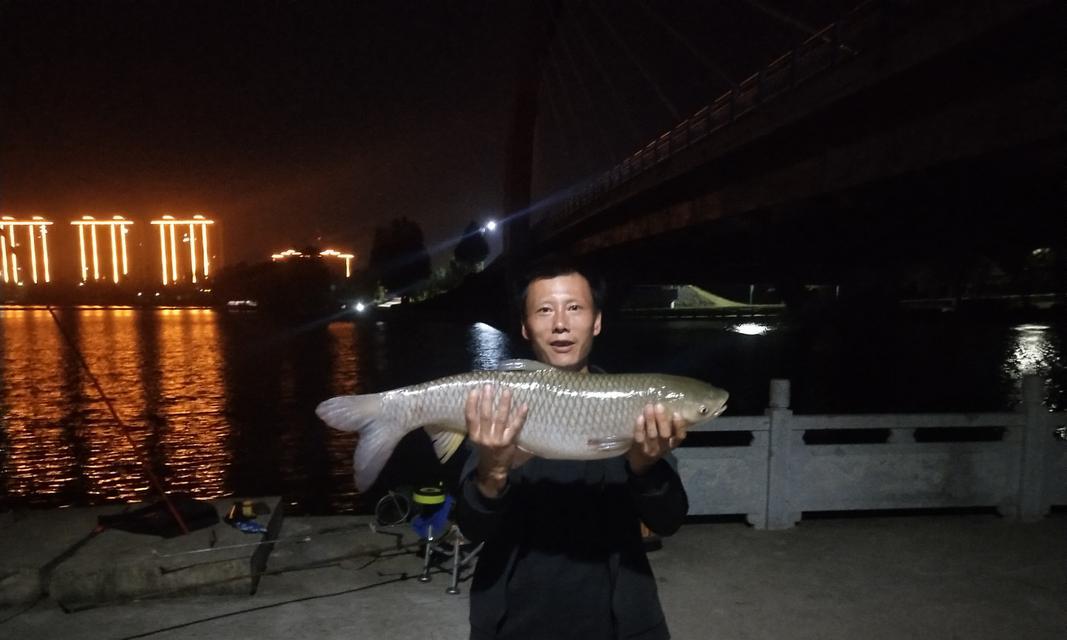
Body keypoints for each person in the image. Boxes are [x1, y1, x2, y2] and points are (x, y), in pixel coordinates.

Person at [454, 259, 690, 640]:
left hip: (620, 622)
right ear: (525, 327)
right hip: (512, 623)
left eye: (574, 308)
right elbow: (472, 526)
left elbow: (668, 522)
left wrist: (645, 467)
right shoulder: (497, 407)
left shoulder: (634, 405)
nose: (560, 323)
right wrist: (493, 471)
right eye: (544, 310)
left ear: (596, 321)